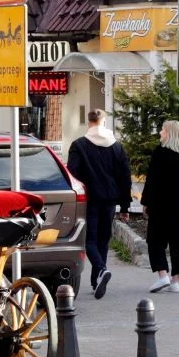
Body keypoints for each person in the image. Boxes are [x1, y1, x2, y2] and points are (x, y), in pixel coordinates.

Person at [66, 108, 132, 298]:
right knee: (103, 240)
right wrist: (125, 206)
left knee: (89, 240)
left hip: (89, 200)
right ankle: (97, 280)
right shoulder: (116, 147)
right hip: (110, 200)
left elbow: (72, 173)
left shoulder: (79, 145)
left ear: (89, 123)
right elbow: (125, 178)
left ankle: (101, 271)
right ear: (104, 122)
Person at [139, 120, 179, 293]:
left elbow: (152, 181)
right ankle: (175, 281)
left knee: (155, 241)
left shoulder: (160, 152)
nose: (160, 133)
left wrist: (146, 202)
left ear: (169, 133)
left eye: (162, 130)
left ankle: (163, 275)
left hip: (161, 206)